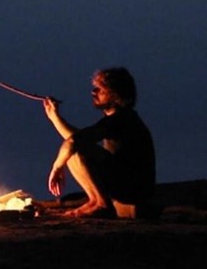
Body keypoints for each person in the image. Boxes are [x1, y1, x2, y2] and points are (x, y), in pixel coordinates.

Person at [44, 67, 156, 218]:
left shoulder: (121, 120)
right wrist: (54, 117)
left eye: (99, 89)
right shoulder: (121, 118)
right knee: (74, 149)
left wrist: (57, 167)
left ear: (115, 95)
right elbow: (76, 139)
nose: (93, 92)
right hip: (127, 182)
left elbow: (74, 142)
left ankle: (101, 204)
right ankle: (95, 201)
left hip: (134, 189)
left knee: (75, 149)